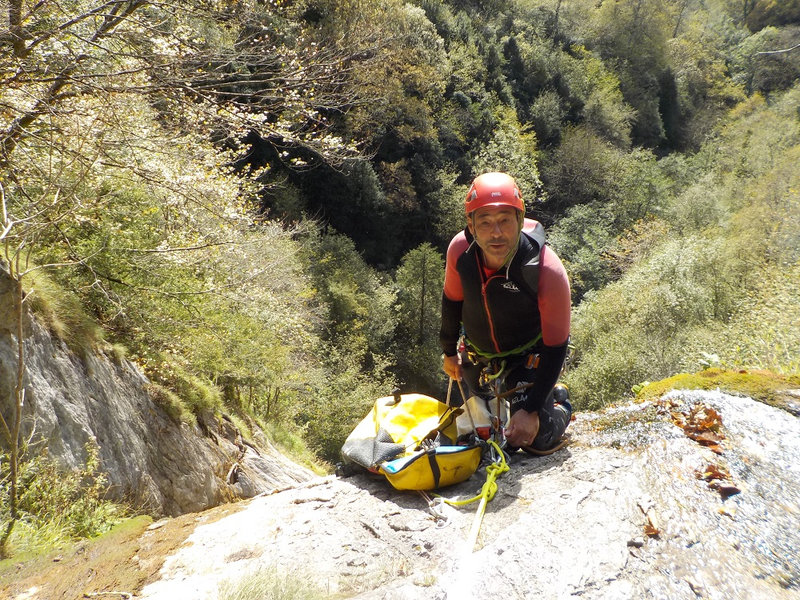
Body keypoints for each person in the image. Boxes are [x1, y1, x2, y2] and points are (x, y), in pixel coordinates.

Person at [440, 172, 572, 451]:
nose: (496, 233)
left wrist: (533, 409)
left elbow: (557, 347)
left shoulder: (545, 269)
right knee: (472, 435)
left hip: (528, 357)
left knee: (533, 439)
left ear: (520, 221)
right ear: (471, 226)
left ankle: (559, 402)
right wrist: (449, 351)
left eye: (504, 221)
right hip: (478, 355)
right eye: (485, 222)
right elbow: (452, 301)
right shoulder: (461, 252)